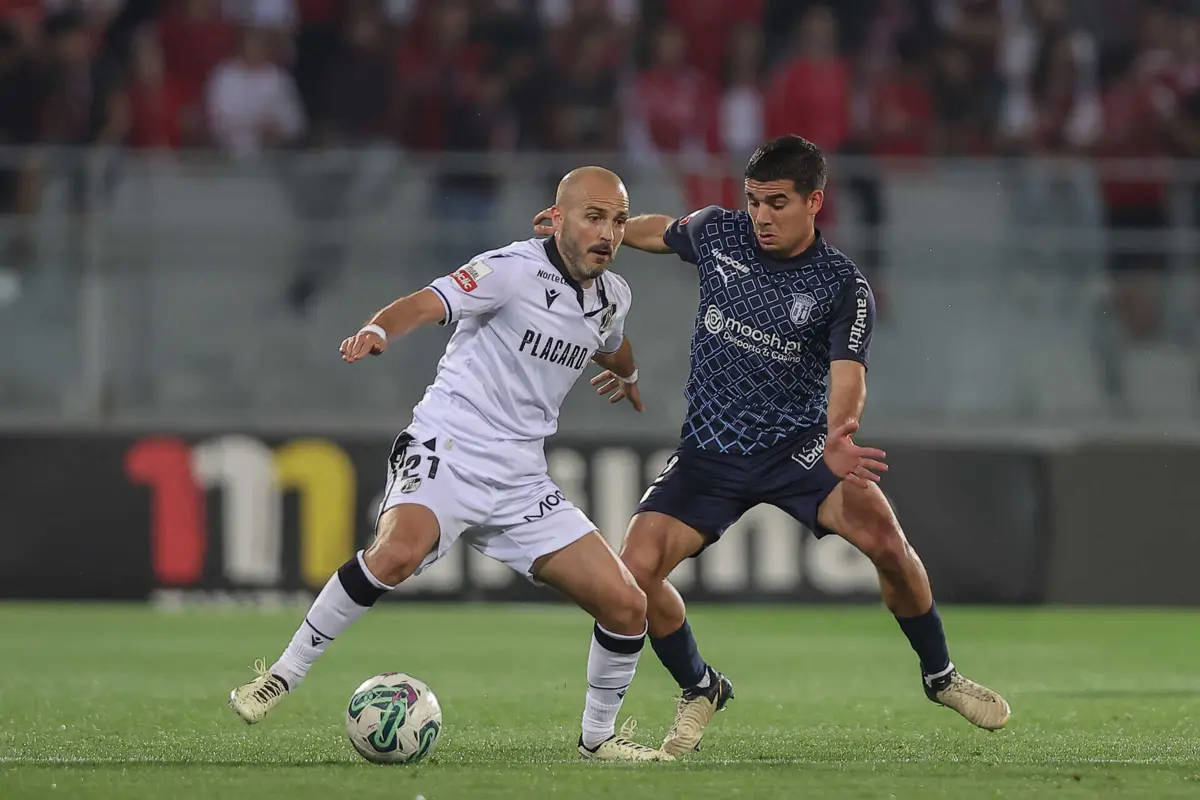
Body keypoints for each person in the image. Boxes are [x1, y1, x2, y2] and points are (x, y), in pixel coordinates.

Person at [533, 136, 1011, 757]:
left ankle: (940, 675)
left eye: (777, 203)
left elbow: (849, 377)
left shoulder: (842, 284)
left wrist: (840, 436)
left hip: (799, 450)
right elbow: (653, 231)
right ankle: (700, 686)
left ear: (814, 202)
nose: (761, 215)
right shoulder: (717, 233)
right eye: (754, 200)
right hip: (709, 450)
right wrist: (595, 231)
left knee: (889, 545)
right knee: (634, 575)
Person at [229, 167, 683, 761]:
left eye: (619, 220)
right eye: (594, 216)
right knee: (395, 554)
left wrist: (629, 375)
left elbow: (611, 339)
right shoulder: (510, 269)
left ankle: (597, 740)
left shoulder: (612, 295)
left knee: (628, 607)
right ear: (555, 219)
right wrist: (377, 328)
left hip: (522, 479)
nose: (608, 232)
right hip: (449, 448)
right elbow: (426, 302)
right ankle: (281, 676)